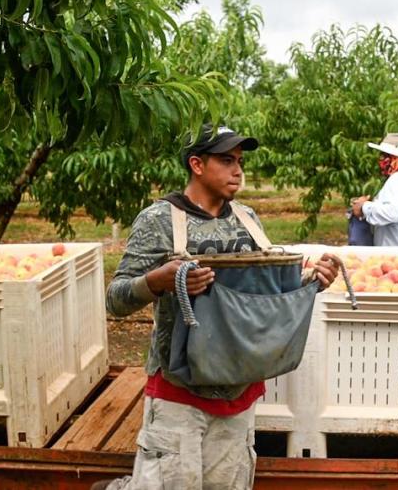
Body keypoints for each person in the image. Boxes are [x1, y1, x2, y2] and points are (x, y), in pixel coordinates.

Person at [99, 124, 340, 490]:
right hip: (180, 390)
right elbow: (115, 300)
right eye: (226, 160)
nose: (238, 170)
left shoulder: (248, 221)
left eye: (240, 161)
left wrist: (311, 282)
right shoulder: (159, 221)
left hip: (238, 391)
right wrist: (160, 281)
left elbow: (261, 298)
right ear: (196, 164)